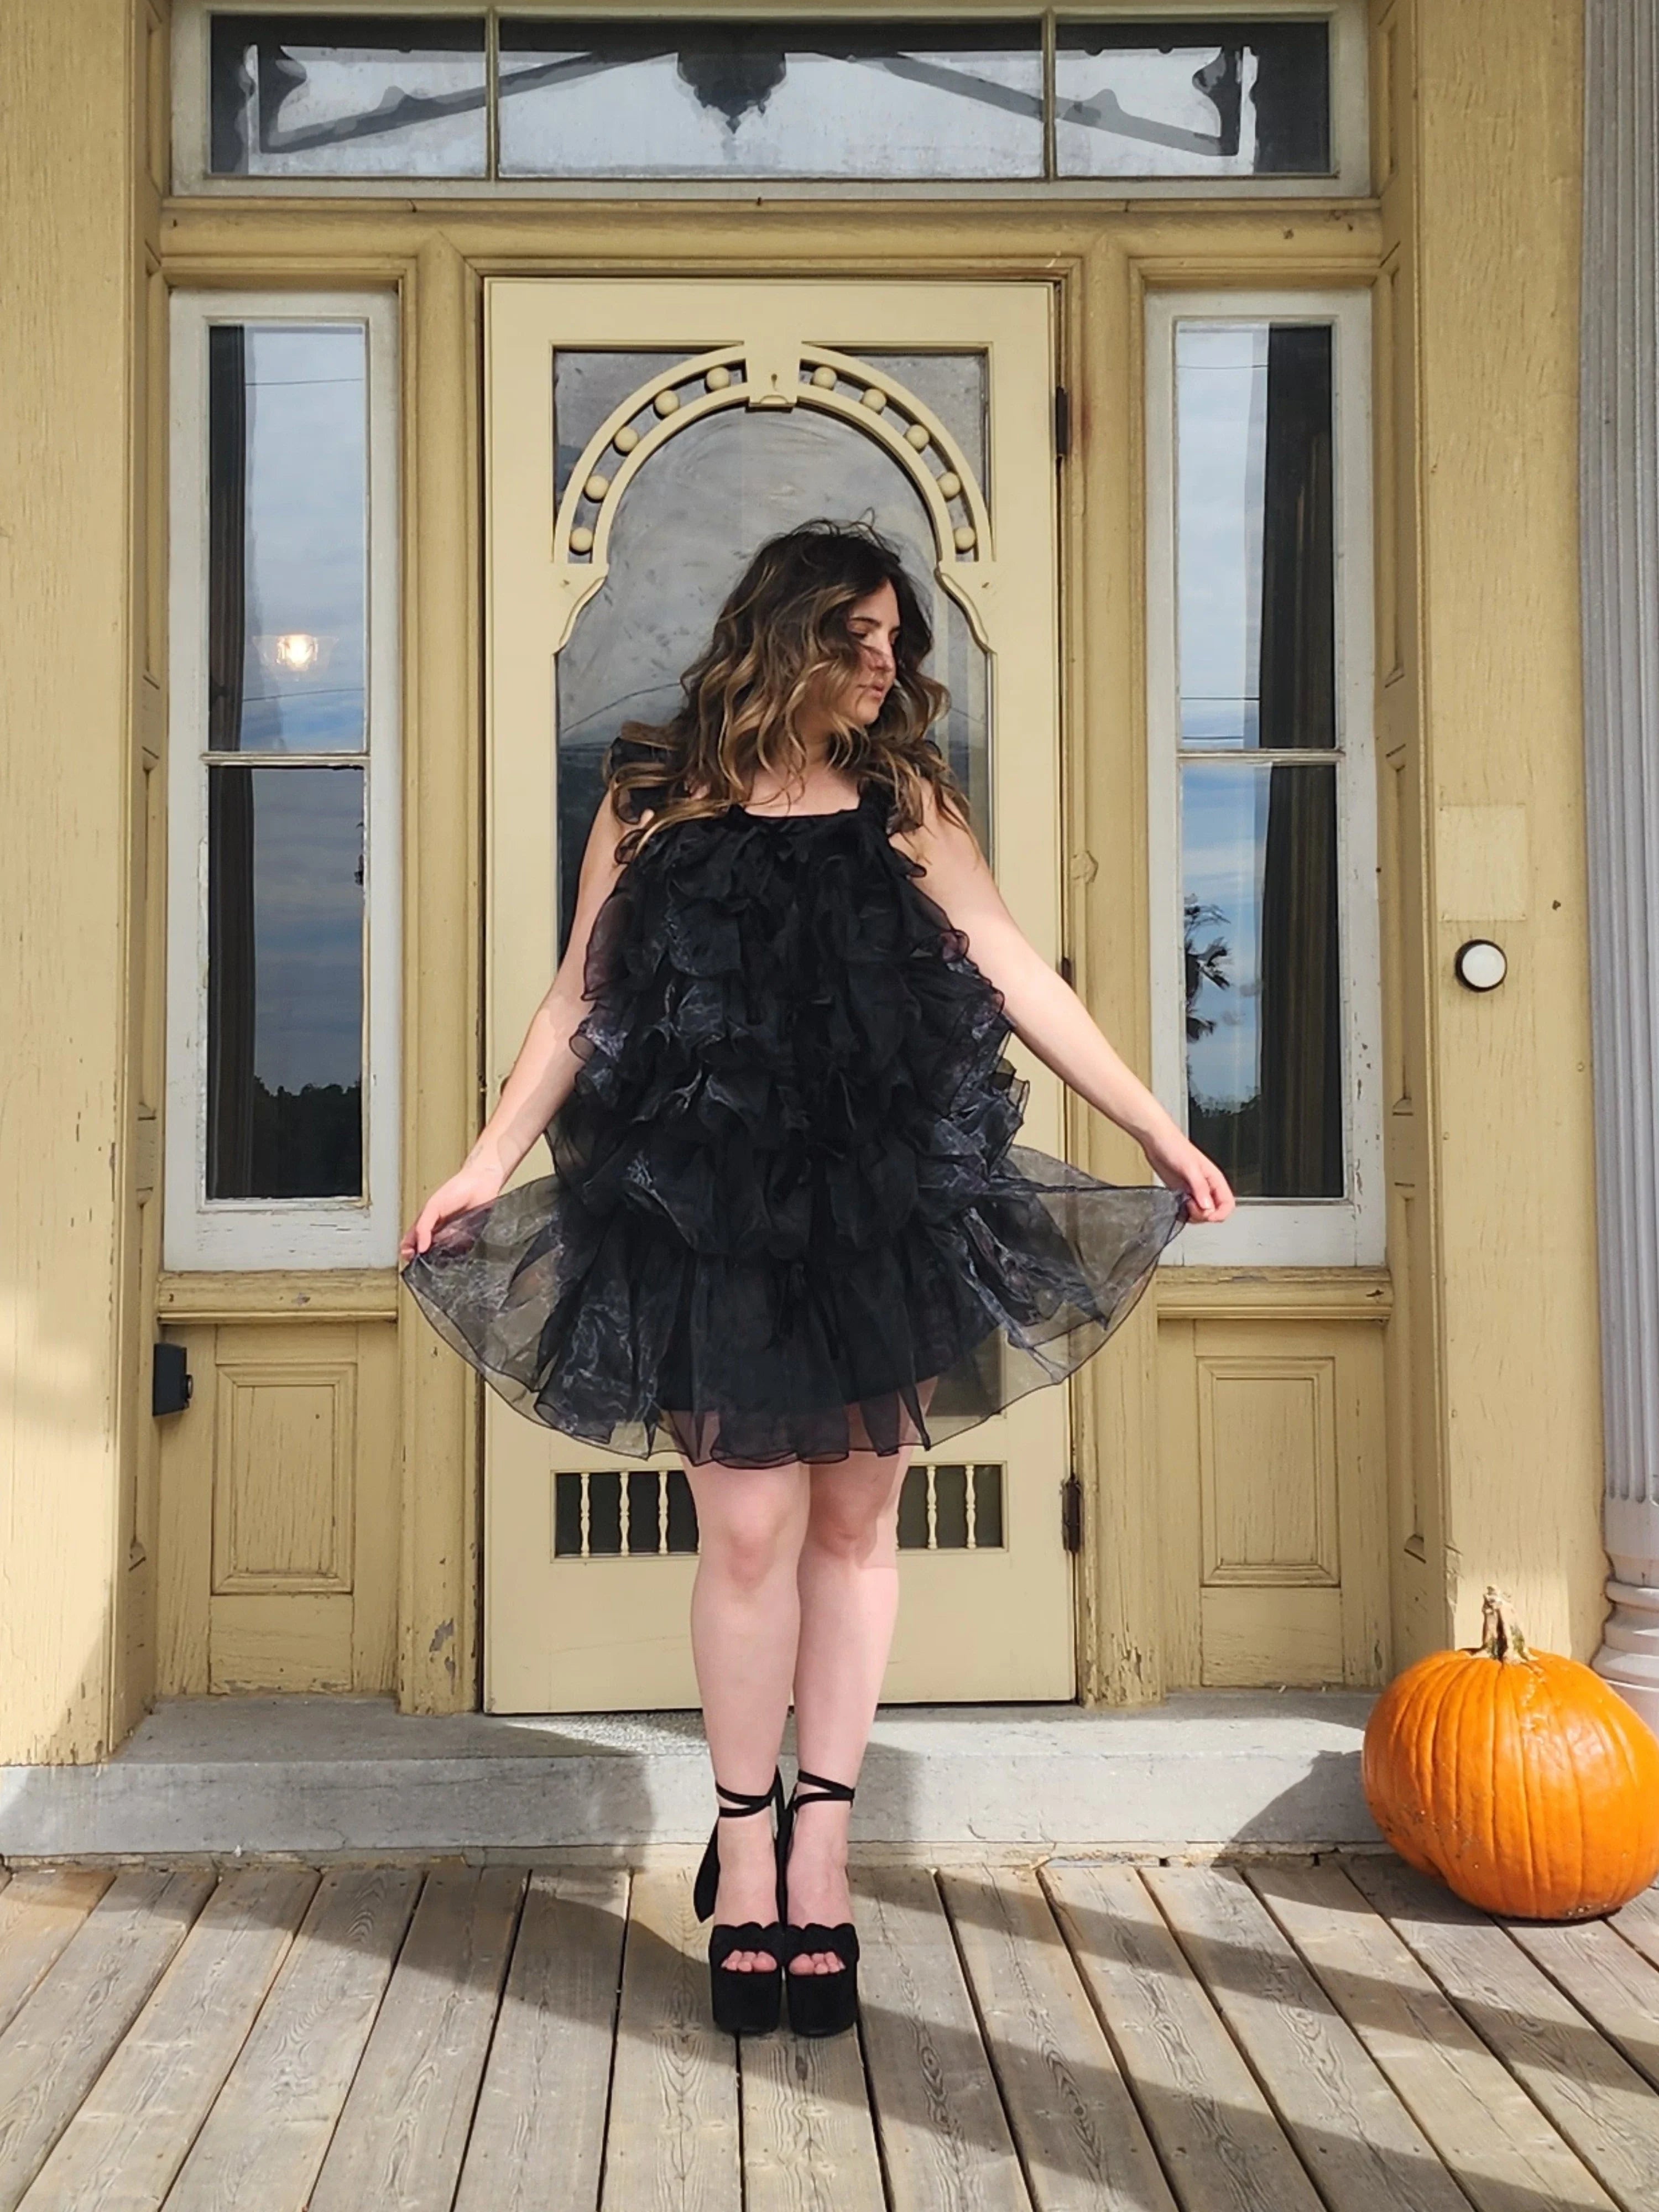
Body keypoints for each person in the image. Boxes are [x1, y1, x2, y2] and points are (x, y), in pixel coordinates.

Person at [400, 519, 1234, 2040]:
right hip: (706, 1205)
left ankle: (823, 1854)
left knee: (856, 1522)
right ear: (782, 633)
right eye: (859, 632)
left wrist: (1159, 1127)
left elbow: (1012, 967)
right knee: (748, 1533)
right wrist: (481, 1163)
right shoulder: (651, 792)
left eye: (897, 638)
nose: (887, 661)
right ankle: (737, 1841)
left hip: (875, 1203)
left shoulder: (906, 797)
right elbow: (583, 997)